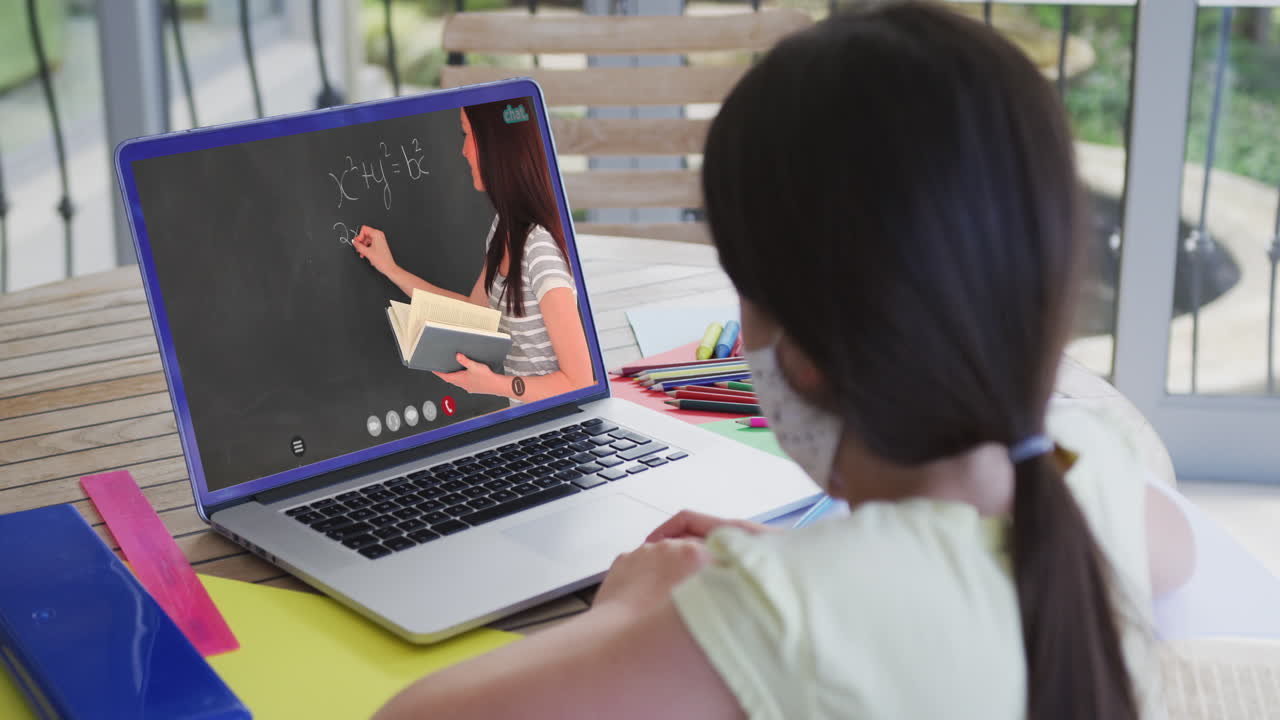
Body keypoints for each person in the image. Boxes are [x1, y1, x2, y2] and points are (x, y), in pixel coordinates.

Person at [374, 4, 1194, 718]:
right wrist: (806, 563)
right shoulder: (1099, 478)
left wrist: (628, 618)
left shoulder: (779, 620)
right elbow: (1167, 551)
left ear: (797, 357)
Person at [353, 99, 593, 404]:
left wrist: (495, 385)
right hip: (528, 421)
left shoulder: (540, 250)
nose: (463, 150)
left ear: (496, 144)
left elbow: (580, 383)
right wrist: (391, 268)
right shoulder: (503, 230)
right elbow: (473, 312)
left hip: (560, 428)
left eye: (468, 135)